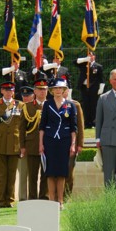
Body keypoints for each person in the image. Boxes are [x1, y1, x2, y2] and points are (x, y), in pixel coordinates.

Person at [39, 78, 77, 210]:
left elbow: (74, 128)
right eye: (55, 88)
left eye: (60, 88)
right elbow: (42, 126)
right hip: (49, 140)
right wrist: (40, 144)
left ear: (64, 90)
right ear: (52, 90)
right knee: (50, 172)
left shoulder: (70, 105)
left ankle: (60, 201)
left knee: (61, 172)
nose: (58, 91)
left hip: (64, 140)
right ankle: (51, 200)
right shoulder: (47, 104)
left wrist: (73, 144)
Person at [0, 81, 24, 208]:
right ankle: (2, 201)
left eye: (11, 90)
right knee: (1, 175)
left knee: (12, 174)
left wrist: (22, 145)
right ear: (2, 91)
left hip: (15, 144)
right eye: (6, 90)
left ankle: (11, 200)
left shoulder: (20, 105)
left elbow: (22, 127)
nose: (9, 92)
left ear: (14, 91)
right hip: (0, 144)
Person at [20, 79, 49, 200]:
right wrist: (22, 146)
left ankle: (44, 197)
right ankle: (32, 198)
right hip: (32, 145)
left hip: (48, 145)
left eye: (44, 89)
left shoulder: (51, 105)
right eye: (40, 89)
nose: (42, 92)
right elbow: (21, 128)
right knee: (32, 175)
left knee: (46, 174)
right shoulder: (27, 107)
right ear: (35, 91)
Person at [74, 52, 104, 128]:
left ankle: (93, 122)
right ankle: (87, 122)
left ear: (94, 56)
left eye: (91, 55)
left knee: (93, 105)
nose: (90, 57)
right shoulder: (84, 64)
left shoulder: (98, 66)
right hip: (84, 87)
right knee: (85, 105)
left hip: (93, 87)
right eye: (89, 55)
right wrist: (84, 59)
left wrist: (101, 88)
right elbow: (75, 62)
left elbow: (101, 78)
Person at [63, 89, 84, 198]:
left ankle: (66, 196)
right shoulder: (51, 104)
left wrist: (80, 144)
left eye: (64, 89)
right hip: (56, 144)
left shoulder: (75, 105)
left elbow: (80, 125)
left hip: (72, 144)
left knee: (69, 172)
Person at [17, 86, 34, 201]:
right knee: (23, 174)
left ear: (33, 95)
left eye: (28, 96)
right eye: (24, 96)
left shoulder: (38, 107)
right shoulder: (17, 107)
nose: (26, 98)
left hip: (36, 144)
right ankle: (23, 198)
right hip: (23, 145)